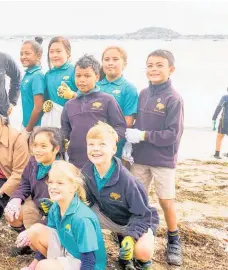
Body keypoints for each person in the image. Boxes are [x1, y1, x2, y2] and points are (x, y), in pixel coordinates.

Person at [125, 49, 184, 266]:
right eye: (150, 65)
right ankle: (134, 234)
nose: (154, 69)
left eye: (160, 65)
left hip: (163, 160)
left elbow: (172, 135)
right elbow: (138, 123)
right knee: (137, 198)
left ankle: (173, 239)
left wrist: (143, 135)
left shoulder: (174, 98)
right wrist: (130, 144)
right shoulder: (142, 94)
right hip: (140, 158)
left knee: (166, 200)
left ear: (171, 69)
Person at [83, 122, 159, 270]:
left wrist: (131, 237)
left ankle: (141, 261)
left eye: (102, 144)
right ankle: (89, 256)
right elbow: (86, 201)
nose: (95, 148)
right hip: (108, 216)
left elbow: (142, 214)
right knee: (80, 218)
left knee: (142, 251)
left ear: (113, 149)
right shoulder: (87, 172)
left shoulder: (128, 181)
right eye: (91, 144)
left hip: (135, 220)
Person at [16, 160, 107, 270]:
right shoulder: (56, 207)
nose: (53, 187)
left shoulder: (82, 218)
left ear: (73, 187)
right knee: (34, 231)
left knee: (43, 266)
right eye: (51, 182)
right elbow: (51, 234)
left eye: (60, 183)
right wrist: (33, 266)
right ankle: (53, 264)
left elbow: (89, 259)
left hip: (86, 263)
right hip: (68, 250)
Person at [4, 127, 64, 256]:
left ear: (56, 148)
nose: (37, 150)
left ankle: (42, 252)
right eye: (35, 145)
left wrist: (40, 225)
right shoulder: (33, 162)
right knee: (12, 214)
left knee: (38, 236)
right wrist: (16, 199)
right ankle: (26, 241)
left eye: (43, 146)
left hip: (55, 215)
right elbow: (25, 183)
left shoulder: (62, 171)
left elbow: (60, 210)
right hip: (37, 205)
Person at [61, 54, 126, 169]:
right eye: (78, 76)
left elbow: (120, 127)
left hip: (101, 162)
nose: (82, 80)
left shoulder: (107, 100)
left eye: (87, 76)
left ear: (96, 77)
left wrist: (109, 140)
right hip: (75, 162)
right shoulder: (69, 105)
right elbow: (65, 132)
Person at [97, 46, 139, 158]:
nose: (110, 63)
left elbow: (128, 122)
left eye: (115, 59)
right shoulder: (95, 85)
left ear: (124, 63)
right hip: (93, 141)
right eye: (106, 60)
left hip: (115, 142)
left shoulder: (128, 88)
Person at [41, 36, 78, 128]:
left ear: (68, 53)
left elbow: (88, 95)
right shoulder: (48, 74)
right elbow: (46, 98)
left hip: (73, 118)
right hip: (53, 119)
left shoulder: (74, 71)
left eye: (58, 51)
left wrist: (73, 94)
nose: (54, 55)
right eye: (51, 52)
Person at [19, 37, 46, 138]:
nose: (23, 56)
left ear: (38, 56)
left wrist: (28, 130)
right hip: (26, 124)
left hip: (35, 127)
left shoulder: (37, 76)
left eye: (27, 53)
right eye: (21, 54)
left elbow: (38, 107)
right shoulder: (28, 74)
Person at [212, 86, 228, 159]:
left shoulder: (225, 97)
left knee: (219, 137)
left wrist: (214, 117)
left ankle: (217, 154)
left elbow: (219, 107)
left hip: (224, 121)